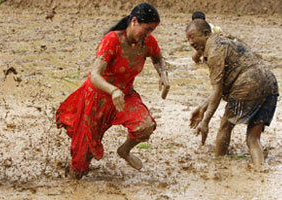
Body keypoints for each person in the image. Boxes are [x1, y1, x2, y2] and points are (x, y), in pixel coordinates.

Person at [56, 3, 170, 179]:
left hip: (124, 96)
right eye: (146, 29)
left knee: (145, 126)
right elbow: (94, 75)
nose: (148, 35)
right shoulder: (112, 40)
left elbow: (158, 58)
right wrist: (113, 90)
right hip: (96, 98)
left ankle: (124, 151)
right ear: (134, 21)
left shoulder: (148, 42)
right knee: (80, 164)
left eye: (151, 31)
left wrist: (163, 75)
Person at [186, 19, 279, 168]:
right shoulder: (225, 41)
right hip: (270, 82)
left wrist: (206, 121)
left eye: (192, 37)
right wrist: (203, 107)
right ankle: (260, 172)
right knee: (253, 139)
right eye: (187, 39)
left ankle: (219, 166)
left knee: (225, 125)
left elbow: (217, 92)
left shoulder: (215, 52)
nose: (190, 42)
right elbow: (223, 87)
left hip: (248, 84)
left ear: (206, 33)